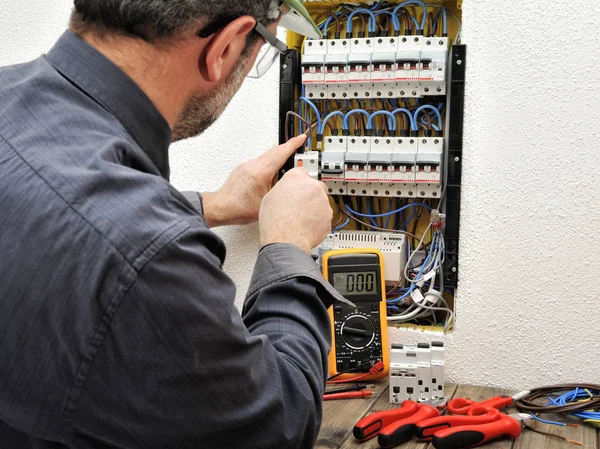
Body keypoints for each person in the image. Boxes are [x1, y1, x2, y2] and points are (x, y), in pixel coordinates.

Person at [0, 1, 344, 448]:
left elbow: (56, 205)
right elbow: (278, 424)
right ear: (223, 47)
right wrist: (287, 246)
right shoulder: (149, 257)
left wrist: (213, 206)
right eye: (265, 47)